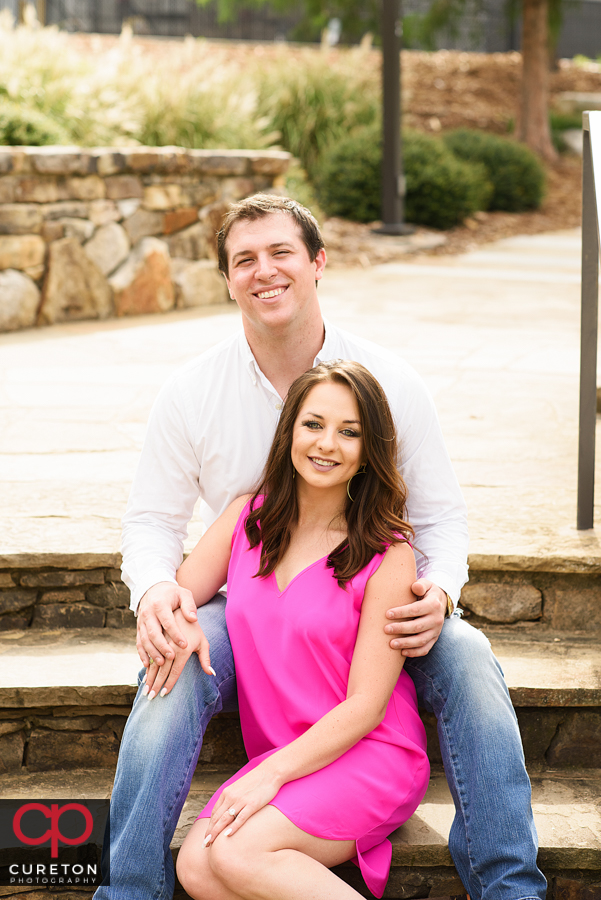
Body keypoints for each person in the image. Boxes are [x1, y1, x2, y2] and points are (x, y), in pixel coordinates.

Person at [96, 194, 545, 900]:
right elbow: (153, 522)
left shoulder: (387, 382)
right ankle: (126, 890)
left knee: (466, 653)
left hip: (373, 603)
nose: (264, 271)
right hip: (252, 592)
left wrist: (442, 592)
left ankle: (509, 886)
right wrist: (160, 593)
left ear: (317, 263)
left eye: (280, 252)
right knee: (174, 654)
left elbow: (441, 519)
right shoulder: (195, 396)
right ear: (226, 278)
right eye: (244, 259)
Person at [146, 360, 431, 900]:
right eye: (313, 424)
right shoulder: (246, 520)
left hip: (369, 752)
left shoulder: (387, 552)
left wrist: (271, 774)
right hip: (285, 752)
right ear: (289, 431)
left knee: (234, 851)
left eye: (350, 432)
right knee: (196, 867)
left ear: (369, 450)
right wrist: (175, 616)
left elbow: (367, 705)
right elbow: (178, 592)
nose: (328, 444)